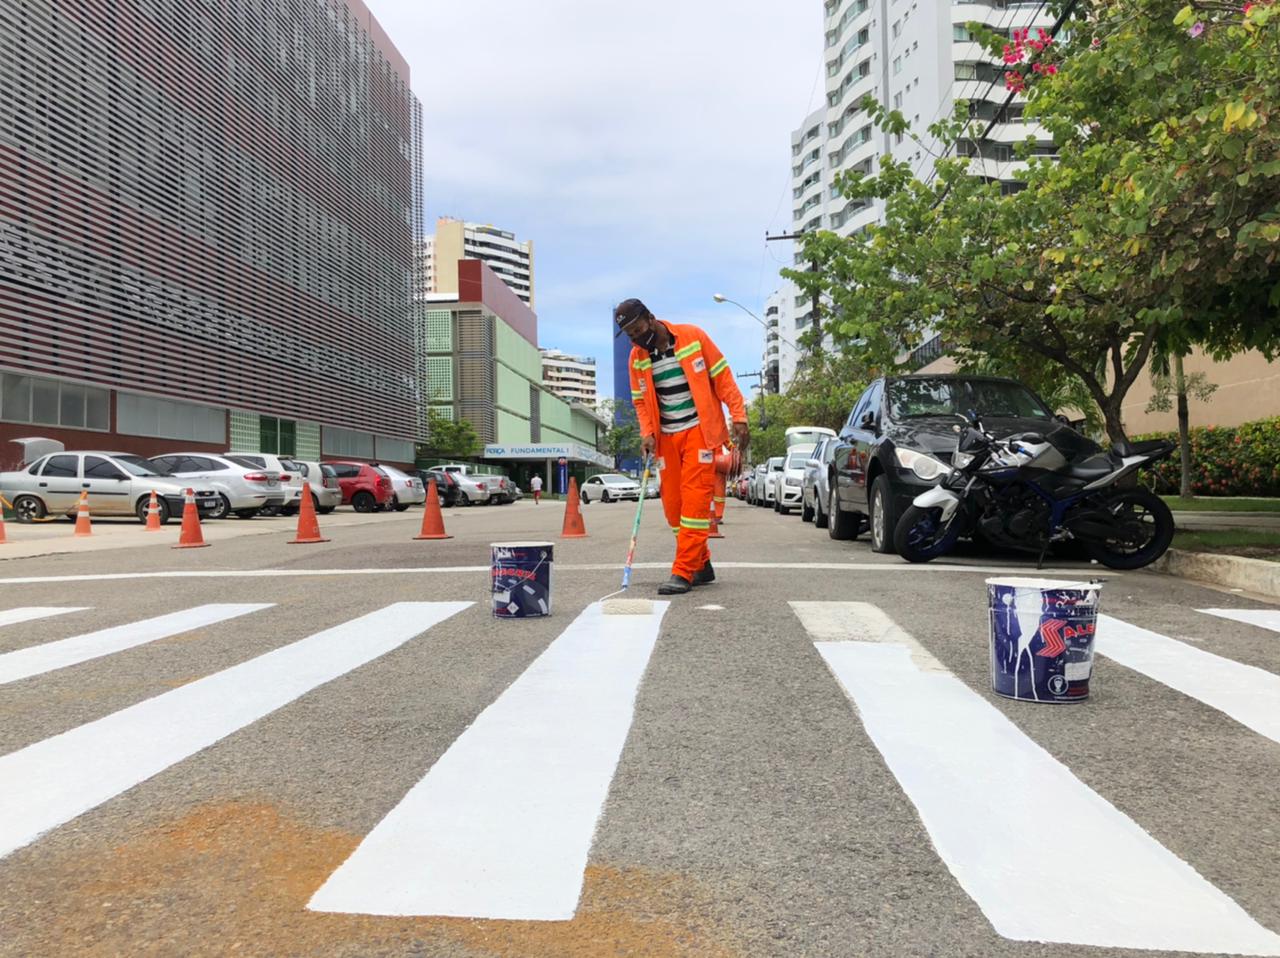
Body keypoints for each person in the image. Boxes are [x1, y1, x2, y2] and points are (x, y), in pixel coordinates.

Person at [616, 298, 749, 594]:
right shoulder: (637, 357)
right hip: (666, 439)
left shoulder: (693, 337)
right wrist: (647, 433)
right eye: (630, 336)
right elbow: (640, 401)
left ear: (651, 318)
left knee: (694, 504)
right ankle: (701, 563)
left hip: (699, 434)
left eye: (638, 330)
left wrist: (738, 415)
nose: (636, 339)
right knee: (673, 508)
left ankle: (683, 570)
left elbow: (723, 377)